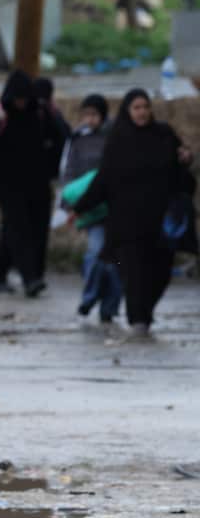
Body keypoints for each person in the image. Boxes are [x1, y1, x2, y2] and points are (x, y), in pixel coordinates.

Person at [73, 89, 196, 340]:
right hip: (126, 224)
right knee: (133, 274)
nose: (142, 112)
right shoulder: (118, 141)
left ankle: (144, 314)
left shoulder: (164, 135)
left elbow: (181, 176)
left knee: (161, 273)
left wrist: (186, 160)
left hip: (159, 222)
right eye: (136, 107)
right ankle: (137, 319)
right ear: (127, 111)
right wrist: (79, 207)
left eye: (145, 107)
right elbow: (103, 180)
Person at [0, 70, 65, 297]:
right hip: (5, 182)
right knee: (19, 226)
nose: (21, 103)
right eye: (17, 98)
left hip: (37, 181)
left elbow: (61, 137)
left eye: (24, 98)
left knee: (30, 227)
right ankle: (30, 279)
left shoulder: (40, 113)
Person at [56, 94, 121, 327]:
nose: (90, 119)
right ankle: (89, 298)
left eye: (94, 114)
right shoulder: (78, 140)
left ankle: (109, 308)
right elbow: (69, 173)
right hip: (89, 208)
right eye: (86, 115)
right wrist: (69, 203)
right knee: (95, 253)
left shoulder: (115, 137)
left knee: (115, 263)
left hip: (114, 208)